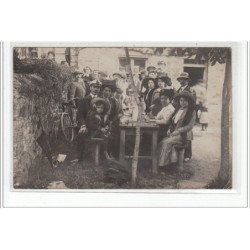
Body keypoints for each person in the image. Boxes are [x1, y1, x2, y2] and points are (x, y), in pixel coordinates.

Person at [157, 91, 196, 170]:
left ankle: (163, 166)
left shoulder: (191, 111)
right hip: (174, 133)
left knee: (166, 143)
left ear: (188, 101)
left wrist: (178, 131)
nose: (183, 102)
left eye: (185, 101)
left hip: (183, 135)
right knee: (161, 142)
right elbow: (173, 122)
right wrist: (169, 129)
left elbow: (189, 126)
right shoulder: (178, 110)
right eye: (181, 100)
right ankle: (166, 164)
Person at [76, 79, 101, 162]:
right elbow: (80, 114)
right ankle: (80, 157)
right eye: (94, 87)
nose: (96, 89)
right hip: (87, 125)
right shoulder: (85, 99)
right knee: (82, 133)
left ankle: (102, 156)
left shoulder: (100, 100)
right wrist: (83, 125)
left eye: (98, 87)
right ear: (90, 87)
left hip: (98, 125)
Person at [175, 72, 196, 162]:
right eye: (180, 79)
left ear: (187, 81)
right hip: (179, 110)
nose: (182, 81)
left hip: (188, 111)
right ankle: (178, 154)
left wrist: (189, 112)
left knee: (188, 132)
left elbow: (193, 102)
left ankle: (188, 155)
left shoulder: (191, 90)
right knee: (178, 130)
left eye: (184, 79)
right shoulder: (178, 89)